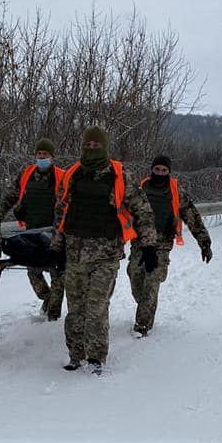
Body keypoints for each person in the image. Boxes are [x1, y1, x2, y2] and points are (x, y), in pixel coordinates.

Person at [50, 126, 157, 375]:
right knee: (75, 309)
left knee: (96, 308)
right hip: (75, 254)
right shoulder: (72, 175)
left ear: (105, 147)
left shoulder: (120, 175)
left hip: (106, 255)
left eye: (97, 145)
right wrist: (56, 248)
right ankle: (76, 355)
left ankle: (96, 357)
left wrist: (149, 245)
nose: (92, 149)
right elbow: (60, 215)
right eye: (88, 145)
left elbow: (143, 211)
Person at [127, 155, 212, 338]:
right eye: (157, 170)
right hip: (139, 243)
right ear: (152, 170)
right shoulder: (140, 189)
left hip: (162, 245)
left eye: (164, 170)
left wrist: (204, 242)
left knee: (152, 282)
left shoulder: (175, 192)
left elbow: (192, 216)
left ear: (169, 172)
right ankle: (145, 306)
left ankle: (142, 325)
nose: (160, 173)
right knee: (136, 280)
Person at [0, 138, 66, 320]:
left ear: (52, 157)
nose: (42, 157)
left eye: (45, 154)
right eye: (39, 154)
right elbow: (11, 197)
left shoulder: (62, 176)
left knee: (57, 274)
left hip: (54, 233)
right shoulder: (26, 174)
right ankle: (47, 297)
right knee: (33, 272)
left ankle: (53, 316)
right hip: (31, 232)